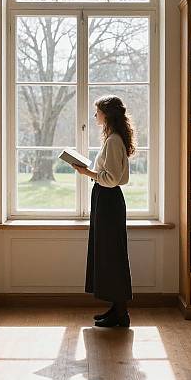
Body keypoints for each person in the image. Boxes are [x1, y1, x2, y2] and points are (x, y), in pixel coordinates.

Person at [71, 95, 135, 328]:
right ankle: (117, 310)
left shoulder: (113, 141)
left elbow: (112, 179)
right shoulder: (113, 139)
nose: (94, 115)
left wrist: (85, 172)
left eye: (96, 111)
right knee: (108, 255)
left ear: (106, 114)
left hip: (108, 200)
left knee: (112, 255)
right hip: (105, 200)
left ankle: (121, 314)